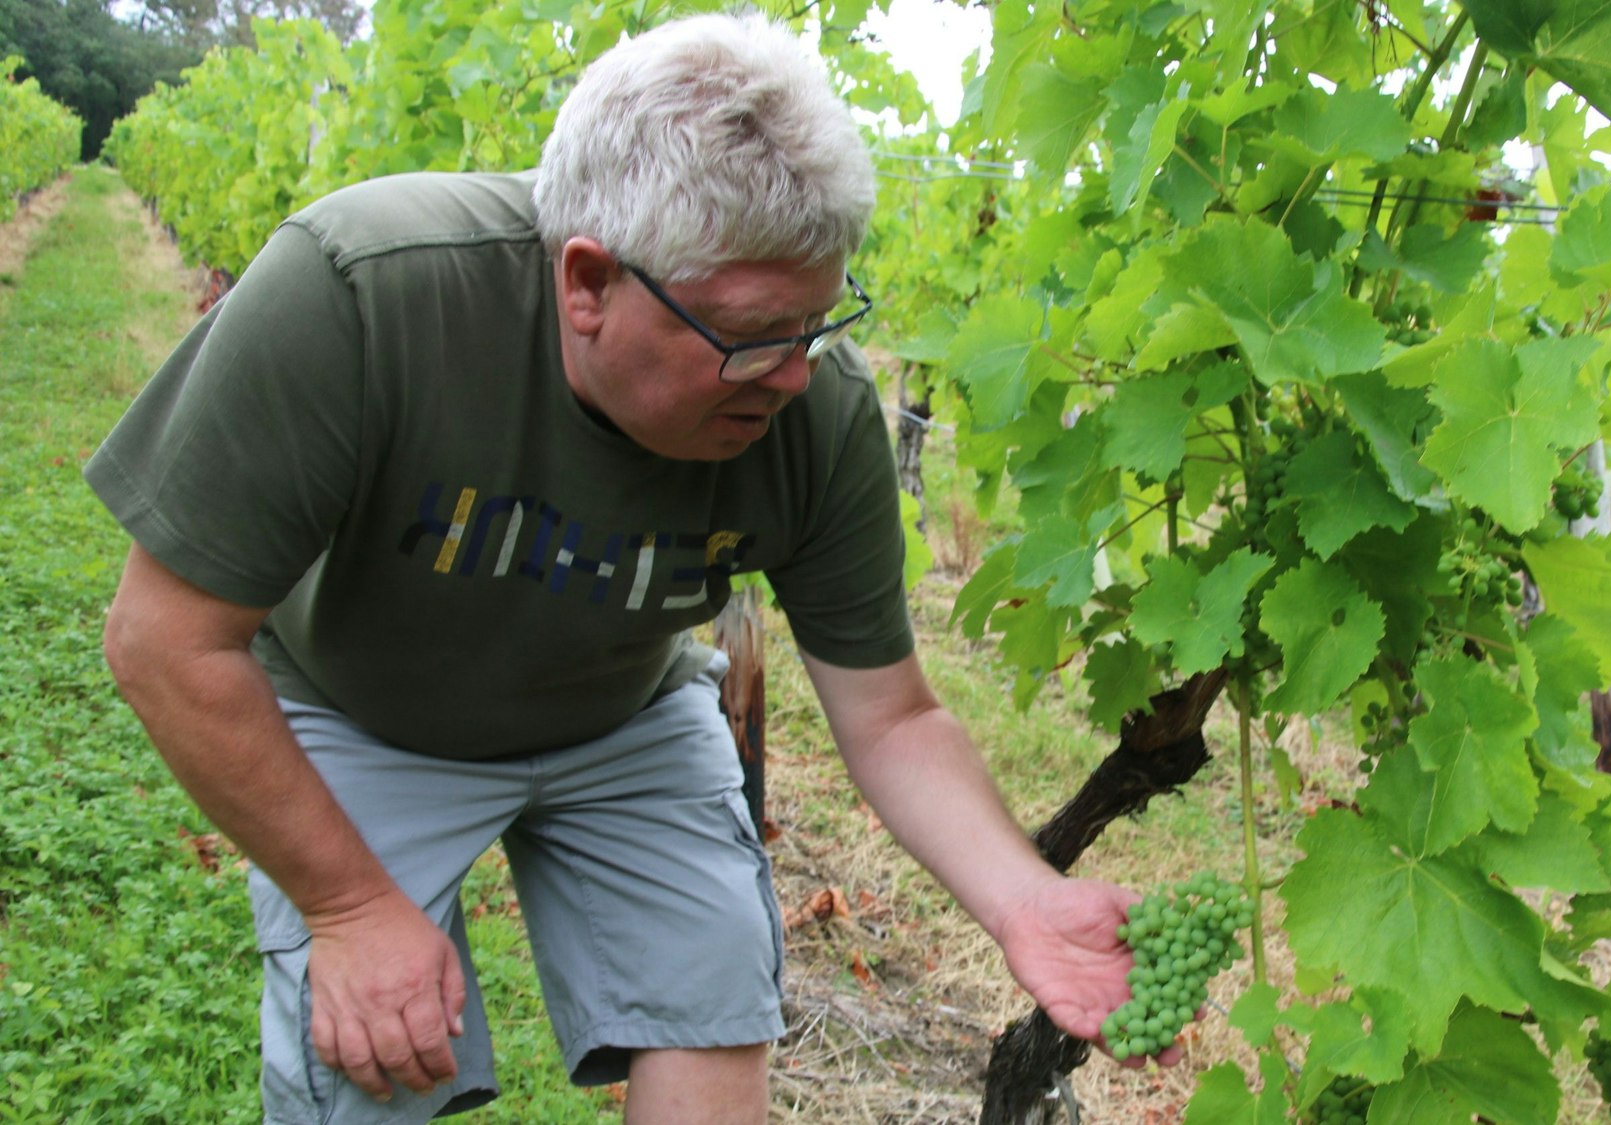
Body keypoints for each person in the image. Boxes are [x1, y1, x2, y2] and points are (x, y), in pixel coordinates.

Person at [87, 12, 1156, 1122]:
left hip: (623, 720)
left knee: (710, 1010)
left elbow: (888, 719)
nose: (791, 375)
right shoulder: (366, 294)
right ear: (587, 283)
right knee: (371, 1066)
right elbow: (165, 640)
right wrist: (349, 908)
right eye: (750, 332)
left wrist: (1024, 901)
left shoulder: (813, 405)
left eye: (818, 320)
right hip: (361, 714)